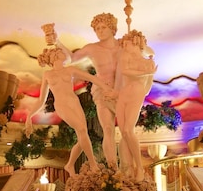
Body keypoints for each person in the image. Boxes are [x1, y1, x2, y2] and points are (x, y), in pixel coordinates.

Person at [25, 46, 107, 176]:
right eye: (55, 52)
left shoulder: (70, 70)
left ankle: (69, 165)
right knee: (81, 130)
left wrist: (106, 87)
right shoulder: (48, 75)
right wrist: (29, 116)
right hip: (62, 105)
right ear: (51, 59)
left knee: (83, 134)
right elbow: (41, 100)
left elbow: (92, 78)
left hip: (74, 102)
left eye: (59, 51)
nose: (59, 52)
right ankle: (93, 164)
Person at [58, 13, 122, 168]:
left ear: (112, 28)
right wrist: (56, 41)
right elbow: (72, 59)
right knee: (108, 129)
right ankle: (113, 168)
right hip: (102, 91)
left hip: (121, 91)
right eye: (97, 29)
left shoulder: (123, 45)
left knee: (126, 131)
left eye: (103, 27)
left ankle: (128, 167)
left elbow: (143, 52)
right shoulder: (92, 48)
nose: (100, 31)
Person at [114, 29, 157, 180]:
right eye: (124, 45)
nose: (125, 47)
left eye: (127, 44)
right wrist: (147, 74)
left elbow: (147, 88)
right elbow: (126, 72)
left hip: (136, 94)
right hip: (124, 94)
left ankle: (139, 167)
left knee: (128, 130)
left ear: (136, 43)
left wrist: (148, 76)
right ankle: (127, 169)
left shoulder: (148, 62)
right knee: (123, 132)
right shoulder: (127, 58)